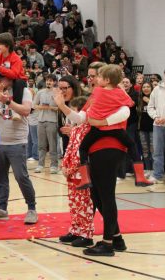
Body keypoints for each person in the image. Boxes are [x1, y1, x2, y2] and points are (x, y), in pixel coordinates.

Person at [53, 79, 129, 257]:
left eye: (96, 76)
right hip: (96, 152)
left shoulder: (117, 99)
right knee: (99, 198)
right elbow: (82, 119)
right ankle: (116, 239)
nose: (91, 79)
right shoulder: (95, 100)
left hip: (108, 151)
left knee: (104, 198)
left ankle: (108, 243)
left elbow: (115, 117)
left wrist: (95, 120)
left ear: (107, 80)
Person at [75, 65, 151, 188]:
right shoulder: (119, 92)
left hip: (97, 128)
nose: (97, 79)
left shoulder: (97, 90)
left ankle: (85, 178)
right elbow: (130, 103)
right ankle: (140, 176)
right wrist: (121, 89)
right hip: (115, 130)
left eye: (100, 77)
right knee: (132, 145)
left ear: (107, 80)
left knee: (83, 148)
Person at [0, 72, 38, 224]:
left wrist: (8, 101)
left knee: (21, 176)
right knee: (0, 177)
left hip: (17, 142)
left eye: (2, 78)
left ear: (11, 78)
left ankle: (32, 209)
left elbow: (26, 111)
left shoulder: (24, 91)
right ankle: (2, 208)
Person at [59, 96, 94, 248]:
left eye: (73, 110)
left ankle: (86, 234)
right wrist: (64, 166)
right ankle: (76, 230)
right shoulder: (76, 130)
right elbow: (69, 150)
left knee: (84, 203)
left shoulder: (87, 130)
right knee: (74, 203)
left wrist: (72, 168)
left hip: (82, 173)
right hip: (71, 173)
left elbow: (81, 154)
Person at [147, 66, 165, 185]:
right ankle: (157, 175)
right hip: (157, 125)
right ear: (164, 75)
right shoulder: (157, 89)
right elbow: (150, 106)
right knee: (157, 151)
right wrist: (156, 117)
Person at [0, 32, 27, 106]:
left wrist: (0, 68)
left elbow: (14, 75)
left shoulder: (16, 58)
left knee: (18, 83)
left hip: (17, 79)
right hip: (2, 77)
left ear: (7, 45)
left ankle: (16, 107)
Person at [33, 74, 59, 173]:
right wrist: (40, 107)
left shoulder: (57, 93)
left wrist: (50, 108)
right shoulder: (40, 92)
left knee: (52, 144)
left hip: (52, 121)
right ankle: (40, 164)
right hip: (41, 121)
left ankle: (54, 165)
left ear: (54, 82)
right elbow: (34, 105)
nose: (49, 82)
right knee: (41, 145)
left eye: (51, 81)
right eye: (48, 80)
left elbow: (60, 108)